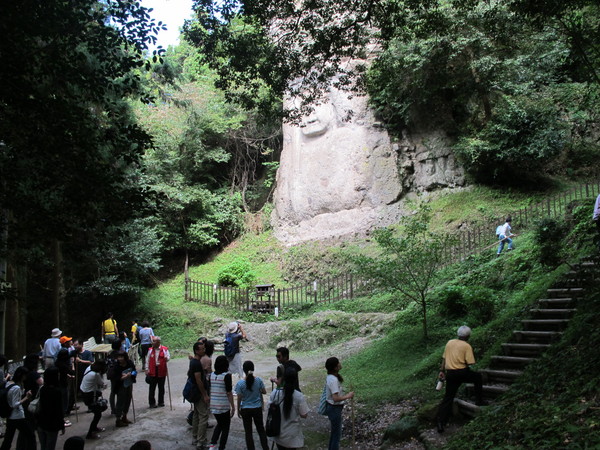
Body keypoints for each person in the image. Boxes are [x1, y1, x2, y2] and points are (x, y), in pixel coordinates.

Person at [436, 325, 484, 433]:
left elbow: (444, 358)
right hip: (462, 372)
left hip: (450, 374)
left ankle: (440, 423)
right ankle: (479, 400)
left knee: (448, 397)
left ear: (458, 334)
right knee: (477, 378)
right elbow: (470, 362)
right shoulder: (466, 346)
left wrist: (441, 371)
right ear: (468, 336)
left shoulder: (449, 343)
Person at [268, 367, 309, 450]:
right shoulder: (298, 396)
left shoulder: (275, 393)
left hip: (279, 434)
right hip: (292, 436)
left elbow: (269, 409)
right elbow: (304, 414)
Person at [235, 360, 269, 450]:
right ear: (253, 369)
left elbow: (239, 398)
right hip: (257, 408)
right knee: (261, 430)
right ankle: (265, 448)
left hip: (245, 409)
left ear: (244, 370)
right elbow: (264, 392)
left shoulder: (240, 383)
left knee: (248, 432)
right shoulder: (258, 380)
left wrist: (238, 409)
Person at [0, 366, 36, 450]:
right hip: (17, 416)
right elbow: (15, 404)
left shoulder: (8, 383)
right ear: (22, 375)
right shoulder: (16, 388)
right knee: (30, 436)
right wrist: (26, 397)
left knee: (8, 440)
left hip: (10, 416)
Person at [324, 357, 354, 450]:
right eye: (338, 363)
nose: (340, 364)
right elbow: (335, 398)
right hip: (334, 409)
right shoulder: (333, 380)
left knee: (334, 433)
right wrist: (348, 396)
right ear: (335, 367)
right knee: (336, 435)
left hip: (333, 408)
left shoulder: (331, 377)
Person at [208, 355, 235, 450]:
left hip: (213, 405)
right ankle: (221, 447)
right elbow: (229, 392)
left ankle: (212, 444)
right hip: (223, 405)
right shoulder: (226, 376)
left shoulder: (211, 375)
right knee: (225, 427)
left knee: (220, 424)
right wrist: (233, 406)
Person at [37, 367, 65, 450]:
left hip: (41, 422)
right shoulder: (57, 391)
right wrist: (62, 425)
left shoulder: (43, 389)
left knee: (43, 446)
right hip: (52, 425)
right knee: (50, 447)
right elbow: (58, 410)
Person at [189, 341, 210, 450]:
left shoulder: (193, 361)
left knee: (197, 415)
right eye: (202, 349)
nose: (204, 350)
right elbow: (198, 380)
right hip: (198, 393)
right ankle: (201, 442)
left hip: (195, 392)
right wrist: (205, 394)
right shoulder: (196, 363)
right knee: (203, 416)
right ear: (197, 351)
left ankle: (195, 437)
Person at [80, 360, 107, 440]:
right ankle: (90, 433)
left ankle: (94, 428)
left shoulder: (89, 368)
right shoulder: (96, 375)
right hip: (89, 395)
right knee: (98, 414)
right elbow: (102, 383)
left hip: (84, 391)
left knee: (97, 413)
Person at [110, 351, 137, 427]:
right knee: (120, 401)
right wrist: (124, 377)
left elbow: (134, 371)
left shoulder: (129, 363)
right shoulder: (116, 366)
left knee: (128, 400)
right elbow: (115, 377)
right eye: (119, 357)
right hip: (120, 386)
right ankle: (118, 419)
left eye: (121, 357)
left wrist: (131, 374)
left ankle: (124, 416)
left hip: (129, 384)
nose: (120, 359)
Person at [146, 336, 170, 408]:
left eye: (154, 341)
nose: (152, 342)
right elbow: (147, 360)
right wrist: (147, 369)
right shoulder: (150, 350)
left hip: (161, 370)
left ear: (158, 342)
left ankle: (161, 402)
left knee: (161, 387)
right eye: (152, 341)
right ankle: (152, 403)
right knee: (152, 388)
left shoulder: (164, 349)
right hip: (153, 370)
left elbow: (168, 357)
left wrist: (166, 358)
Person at [55, 348, 74, 427]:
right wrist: (73, 364)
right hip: (62, 384)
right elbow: (71, 371)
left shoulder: (57, 362)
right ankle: (61, 420)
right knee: (63, 402)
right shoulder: (63, 365)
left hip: (57, 384)